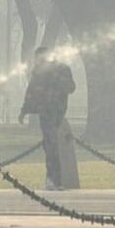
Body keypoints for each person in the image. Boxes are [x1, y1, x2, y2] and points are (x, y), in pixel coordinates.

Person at [19, 47, 77, 190]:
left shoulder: (52, 71)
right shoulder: (60, 69)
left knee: (51, 145)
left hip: (51, 111)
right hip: (54, 111)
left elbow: (70, 87)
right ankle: (53, 179)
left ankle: (54, 179)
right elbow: (32, 91)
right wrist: (25, 110)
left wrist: (25, 110)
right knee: (51, 145)